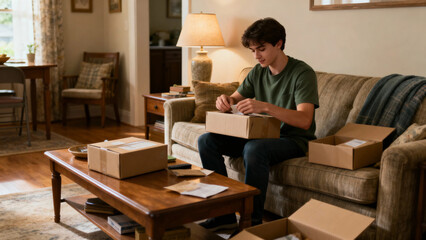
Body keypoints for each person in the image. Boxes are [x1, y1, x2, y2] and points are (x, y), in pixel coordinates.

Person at [197, 18, 319, 232]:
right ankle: (222, 214)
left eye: (261, 49)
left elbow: (304, 120)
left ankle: (250, 222)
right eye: (253, 50)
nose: (256, 56)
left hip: (293, 140)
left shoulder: (302, 73)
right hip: (261, 135)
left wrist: (266, 107)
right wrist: (226, 100)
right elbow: (235, 98)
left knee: (253, 149)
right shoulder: (257, 71)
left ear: (279, 43)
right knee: (206, 140)